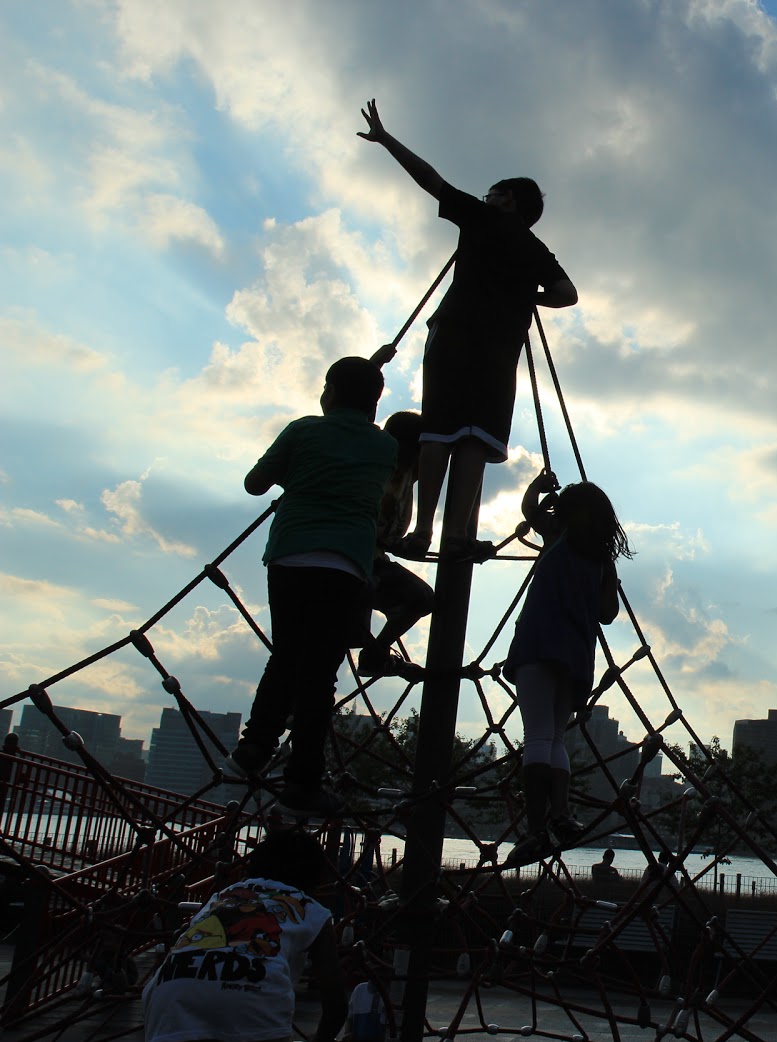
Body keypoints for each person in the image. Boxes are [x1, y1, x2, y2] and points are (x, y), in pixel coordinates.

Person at [358, 99, 578, 562]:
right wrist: (525, 297)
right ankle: (455, 533)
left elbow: (430, 180)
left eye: (492, 193)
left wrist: (387, 141)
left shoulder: (481, 221)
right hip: (500, 349)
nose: (485, 198)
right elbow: (566, 293)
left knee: (438, 430)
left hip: (455, 334)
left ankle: (422, 532)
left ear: (508, 200)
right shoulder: (535, 247)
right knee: (477, 438)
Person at [230, 356, 396, 817]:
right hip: (345, 563)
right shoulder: (384, 448)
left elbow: (254, 484)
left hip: (291, 552)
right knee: (320, 670)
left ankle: (256, 743)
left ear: (328, 393)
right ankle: (302, 778)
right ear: (375, 403)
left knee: (285, 652)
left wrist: (298, 473)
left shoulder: (302, 431)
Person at [501, 475, 631, 867]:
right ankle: (561, 815)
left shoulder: (560, 536)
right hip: (575, 657)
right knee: (555, 737)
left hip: (539, 645)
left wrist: (539, 487)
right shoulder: (602, 560)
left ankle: (536, 827)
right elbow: (608, 614)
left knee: (537, 735)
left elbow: (529, 512)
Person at [142, 829, 347, 1042]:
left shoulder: (223, 896)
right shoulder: (312, 911)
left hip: (171, 995)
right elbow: (336, 1002)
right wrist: (323, 1041)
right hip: (251, 1003)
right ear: (315, 876)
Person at [357, 410, 434, 678]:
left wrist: (404, 544)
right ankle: (374, 653)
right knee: (349, 625)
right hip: (351, 555)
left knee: (421, 598)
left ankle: (375, 652)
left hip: (375, 559)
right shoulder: (375, 462)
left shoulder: (410, 474)